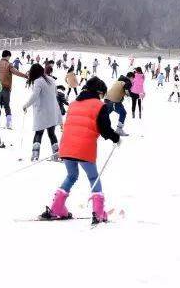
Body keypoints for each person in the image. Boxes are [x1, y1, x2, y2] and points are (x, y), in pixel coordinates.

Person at [39, 77, 120, 224]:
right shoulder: (99, 105)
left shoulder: (73, 104)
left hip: (66, 146)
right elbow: (105, 130)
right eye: (102, 94)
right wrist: (116, 138)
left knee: (71, 175)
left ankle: (56, 207)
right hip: (84, 148)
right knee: (93, 177)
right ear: (99, 92)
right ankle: (98, 212)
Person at [23, 64, 63, 161]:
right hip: (52, 110)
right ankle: (57, 154)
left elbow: (35, 96)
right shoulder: (52, 80)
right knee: (52, 133)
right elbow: (55, 94)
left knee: (39, 133)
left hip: (42, 111)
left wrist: (26, 105)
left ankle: (35, 155)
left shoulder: (38, 81)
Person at [0, 50, 29, 129]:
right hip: (6, 88)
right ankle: (8, 123)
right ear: (7, 56)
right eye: (9, 57)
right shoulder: (9, 65)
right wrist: (25, 76)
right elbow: (16, 72)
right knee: (6, 105)